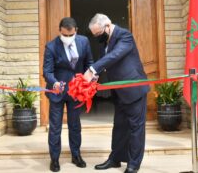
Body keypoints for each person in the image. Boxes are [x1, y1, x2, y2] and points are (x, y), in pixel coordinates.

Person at [83, 13, 149, 173]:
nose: (97, 37)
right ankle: (115, 159)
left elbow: (115, 55)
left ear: (108, 25)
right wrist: (96, 77)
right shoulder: (104, 40)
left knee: (135, 128)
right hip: (118, 91)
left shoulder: (124, 36)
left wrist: (92, 70)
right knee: (119, 127)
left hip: (134, 89)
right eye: (94, 35)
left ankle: (133, 164)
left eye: (98, 33)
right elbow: (104, 59)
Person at [43, 17, 93, 172]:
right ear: (60, 31)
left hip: (76, 92)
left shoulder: (84, 42)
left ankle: (76, 155)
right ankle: (55, 159)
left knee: (75, 125)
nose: (68, 38)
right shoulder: (51, 46)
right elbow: (47, 71)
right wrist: (54, 82)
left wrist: (90, 77)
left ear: (76, 31)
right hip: (58, 91)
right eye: (65, 35)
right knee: (55, 127)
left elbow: (89, 63)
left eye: (71, 35)